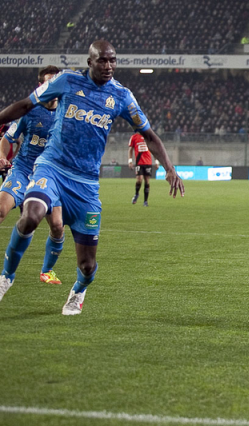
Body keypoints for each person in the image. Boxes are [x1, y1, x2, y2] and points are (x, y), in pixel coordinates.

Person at [0, 40, 184, 315]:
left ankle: (79, 290)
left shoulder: (121, 96)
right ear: (90, 62)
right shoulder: (66, 81)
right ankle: (6, 278)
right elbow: (26, 104)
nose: (108, 66)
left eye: (112, 61)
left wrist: (169, 167)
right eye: (102, 61)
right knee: (31, 214)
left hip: (85, 184)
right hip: (52, 167)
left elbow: (148, 134)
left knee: (86, 265)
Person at [0, 66, 65, 285]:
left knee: (57, 226)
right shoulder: (28, 110)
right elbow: (8, 138)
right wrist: (1, 156)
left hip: (50, 175)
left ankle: (47, 271)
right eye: (48, 84)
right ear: (41, 86)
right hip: (24, 169)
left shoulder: (68, 112)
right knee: (1, 209)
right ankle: (7, 275)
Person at [128, 132, 159, 207]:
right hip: (139, 162)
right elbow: (130, 149)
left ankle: (145, 201)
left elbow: (154, 149)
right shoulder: (134, 137)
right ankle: (136, 194)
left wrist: (156, 161)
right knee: (139, 179)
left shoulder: (148, 136)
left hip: (148, 162)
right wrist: (130, 161)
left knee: (147, 181)